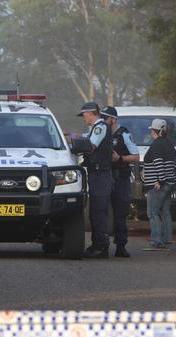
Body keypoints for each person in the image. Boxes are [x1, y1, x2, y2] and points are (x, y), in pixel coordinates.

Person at [67, 102, 114, 258]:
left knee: (99, 211)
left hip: (101, 175)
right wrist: (68, 136)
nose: (84, 118)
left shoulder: (100, 127)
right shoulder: (96, 129)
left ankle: (101, 247)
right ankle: (96, 245)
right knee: (95, 211)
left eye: (84, 115)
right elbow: (84, 137)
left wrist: (76, 147)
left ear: (91, 113)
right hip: (97, 175)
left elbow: (91, 146)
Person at [100, 106, 140, 258]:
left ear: (113, 120)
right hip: (104, 177)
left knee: (120, 213)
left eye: (105, 118)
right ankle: (102, 245)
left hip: (120, 178)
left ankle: (121, 246)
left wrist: (121, 159)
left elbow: (135, 156)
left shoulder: (123, 134)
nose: (103, 121)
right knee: (101, 211)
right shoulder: (100, 133)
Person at [142, 119, 176, 250]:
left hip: (158, 184)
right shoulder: (169, 144)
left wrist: (160, 180)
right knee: (165, 211)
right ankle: (167, 239)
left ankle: (157, 240)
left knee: (153, 212)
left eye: (152, 130)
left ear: (156, 131)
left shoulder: (156, 145)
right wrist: (168, 175)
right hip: (170, 182)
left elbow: (158, 162)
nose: (151, 132)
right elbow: (175, 158)